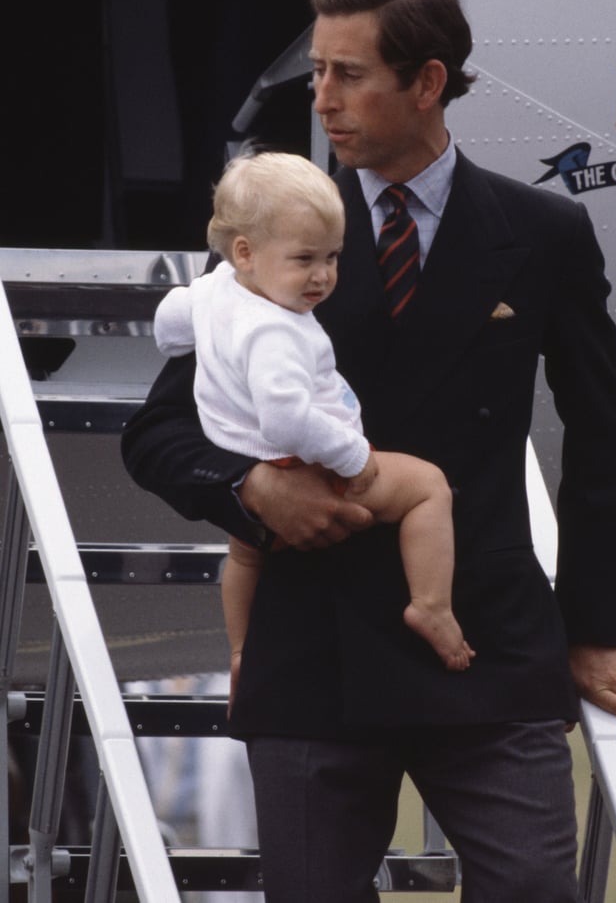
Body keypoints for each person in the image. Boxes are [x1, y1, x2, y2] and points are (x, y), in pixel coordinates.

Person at [122, 0, 616, 903]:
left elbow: (603, 444)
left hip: (484, 641)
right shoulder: (278, 238)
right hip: (313, 650)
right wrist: (249, 489)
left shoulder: (545, 235)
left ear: (428, 82)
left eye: (348, 74)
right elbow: (155, 433)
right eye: (316, 71)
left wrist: (596, 631)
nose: (322, 98)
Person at [152, 149, 473, 675]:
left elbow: (168, 326)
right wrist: (351, 457)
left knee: (244, 556)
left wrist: (191, 332)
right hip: (309, 463)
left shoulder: (213, 290)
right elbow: (285, 419)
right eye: (305, 259)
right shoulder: (275, 329)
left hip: (247, 463)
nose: (322, 276)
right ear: (246, 252)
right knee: (428, 487)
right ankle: (432, 604)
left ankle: (238, 651)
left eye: (333, 257)